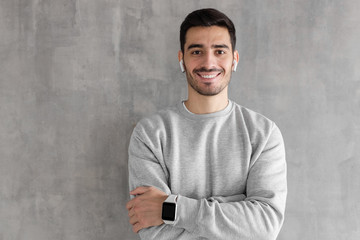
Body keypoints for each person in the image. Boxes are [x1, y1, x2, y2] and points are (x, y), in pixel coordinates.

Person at [126, 8, 287, 240]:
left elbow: (264, 226)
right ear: (182, 59)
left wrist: (171, 208)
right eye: (197, 51)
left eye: (219, 51)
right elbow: (155, 233)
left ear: (234, 59)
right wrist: (237, 210)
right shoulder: (150, 134)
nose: (208, 62)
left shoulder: (263, 134)